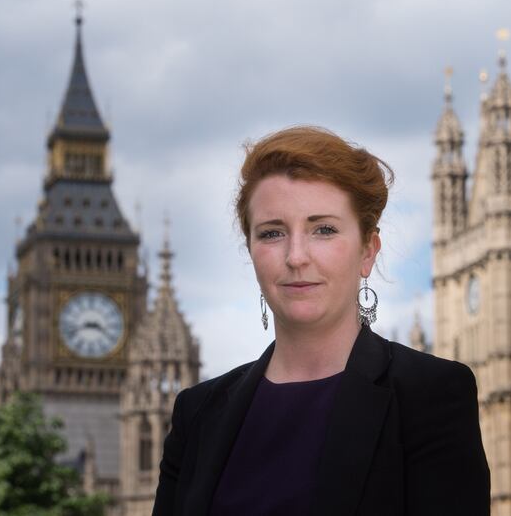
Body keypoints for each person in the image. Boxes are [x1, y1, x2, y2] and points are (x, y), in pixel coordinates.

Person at [152, 126, 490, 516]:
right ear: (251, 251)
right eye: (272, 233)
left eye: (323, 230)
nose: (296, 256)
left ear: (368, 250)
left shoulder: (429, 394)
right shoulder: (197, 414)